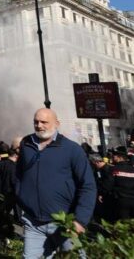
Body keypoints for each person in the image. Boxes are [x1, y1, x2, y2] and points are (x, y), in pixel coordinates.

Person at [16, 108, 96, 259]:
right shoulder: (26, 144)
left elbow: (88, 186)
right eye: (36, 122)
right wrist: (21, 197)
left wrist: (80, 220)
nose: (39, 125)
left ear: (57, 124)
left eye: (44, 122)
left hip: (64, 223)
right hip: (33, 223)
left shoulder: (72, 149)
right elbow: (20, 174)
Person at [0, 138, 21, 224]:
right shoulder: (14, 167)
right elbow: (14, 181)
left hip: (4, 190)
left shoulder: (1, 164)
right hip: (12, 192)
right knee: (16, 210)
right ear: (15, 155)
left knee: (3, 209)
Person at [89, 153, 114, 222]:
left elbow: (108, 183)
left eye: (92, 163)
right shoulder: (98, 170)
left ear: (96, 162)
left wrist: (102, 193)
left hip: (107, 196)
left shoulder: (107, 169)